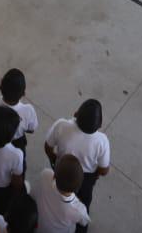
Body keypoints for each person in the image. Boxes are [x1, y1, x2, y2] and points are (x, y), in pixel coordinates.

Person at [44, 99, 110, 231]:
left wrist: (55, 160)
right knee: (83, 205)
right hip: (85, 180)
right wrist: (95, 175)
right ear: (99, 124)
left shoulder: (61, 125)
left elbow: (48, 147)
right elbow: (104, 170)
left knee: (56, 193)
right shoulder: (102, 141)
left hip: (62, 169)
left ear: (76, 114)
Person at [36, 155, 89, 233]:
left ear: (54, 176)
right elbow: (84, 222)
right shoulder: (78, 210)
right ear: (77, 189)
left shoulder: (45, 174)